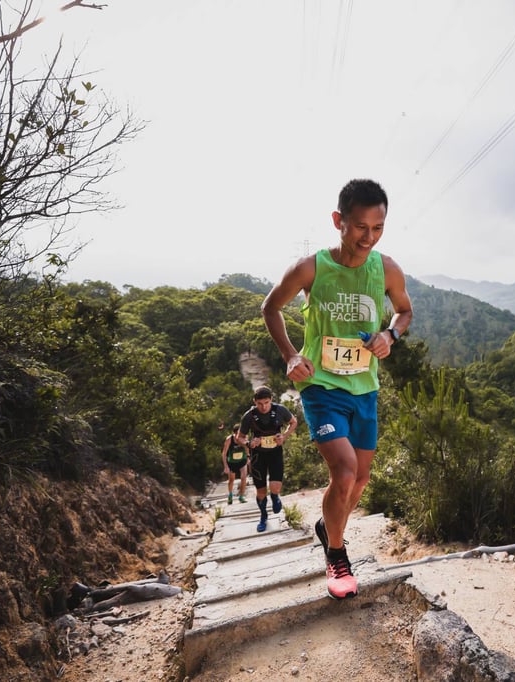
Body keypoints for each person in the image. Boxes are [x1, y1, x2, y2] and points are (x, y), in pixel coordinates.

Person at [261, 178, 413, 600]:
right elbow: (270, 307)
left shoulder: (387, 269)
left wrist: (391, 336)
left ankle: (330, 526)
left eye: (378, 227)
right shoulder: (311, 268)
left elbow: (404, 311)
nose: (369, 237)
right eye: (361, 227)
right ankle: (337, 551)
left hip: (365, 388)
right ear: (338, 222)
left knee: (361, 478)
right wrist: (291, 355)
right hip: (321, 386)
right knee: (344, 470)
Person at [236, 386, 298, 533]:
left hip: (275, 452)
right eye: (259, 403)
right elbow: (239, 437)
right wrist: (249, 443)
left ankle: (275, 497)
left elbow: (293, 422)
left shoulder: (280, 410)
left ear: (271, 400)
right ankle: (263, 516)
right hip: (258, 456)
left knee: (275, 488)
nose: (263, 407)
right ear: (254, 402)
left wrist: (284, 436)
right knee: (261, 491)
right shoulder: (249, 416)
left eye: (266, 402)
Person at [220, 423, 249, 504]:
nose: (239, 437)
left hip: (242, 460)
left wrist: (248, 457)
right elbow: (224, 453)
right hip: (232, 462)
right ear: (234, 433)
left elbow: (247, 447)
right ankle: (230, 495)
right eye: (237, 434)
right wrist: (225, 466)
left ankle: (241, 496)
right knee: (231, 480)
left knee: (244, 478)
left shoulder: (245, 437)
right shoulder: (229, 439)